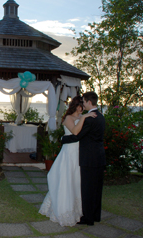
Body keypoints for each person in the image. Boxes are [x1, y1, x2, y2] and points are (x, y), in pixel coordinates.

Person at [39, 95, 97, 226]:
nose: (82, 107)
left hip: (79, 152)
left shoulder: (81, 117)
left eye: (83, 105)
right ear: (76, 106)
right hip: (69, 153)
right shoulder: (68, 118)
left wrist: (84, 118)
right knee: (67, 179)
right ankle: (64, 209)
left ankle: (79, 210)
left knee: (77, 180)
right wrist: (84, 117)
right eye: (81, 105)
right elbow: (75, 132)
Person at [61, 91, 106, 226]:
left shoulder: (89, 118)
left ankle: (88, 218)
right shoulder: (101, 116)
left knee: (87, 189)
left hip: (89, 158)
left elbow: (77, 136)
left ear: (88, 102)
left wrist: (63, 138)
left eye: (84, 102)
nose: (83, 105)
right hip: (99, 156)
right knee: (97, 189)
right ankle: (96, 215)